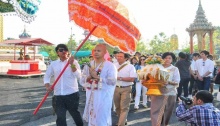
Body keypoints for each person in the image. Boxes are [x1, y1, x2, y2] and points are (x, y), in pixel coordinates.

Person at [44, 44, 83, 126]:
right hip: (58, 95)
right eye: (61, 50)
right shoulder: (53, 64)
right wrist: (47, 86)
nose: (63, 51)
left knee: (75, 114)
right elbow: (47, 76)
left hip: (71, 94)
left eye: (65, 50)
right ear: (57, 53)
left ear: (68, 52)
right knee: (60, 117)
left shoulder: (74, 62)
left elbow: (79, 76)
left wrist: (71, 64)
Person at [80, 44, 117, 126]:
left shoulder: (110, 66)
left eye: (99, 51)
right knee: (92, 118)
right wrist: (89, 77)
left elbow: (113, 81)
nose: (96, 52)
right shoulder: (89, 65)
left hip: (103, 97)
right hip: (91, 96)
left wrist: (98, 78)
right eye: (95, 51)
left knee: (101, 119)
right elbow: (81, 80)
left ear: (104, 52)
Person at [148, 52, 180, 126]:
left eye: (169, 58)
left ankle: (164, 124)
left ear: (172, 60)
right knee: (155, 111)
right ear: (162, 59)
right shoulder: (157, 67)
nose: (167, 60)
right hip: (157, 91)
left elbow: (177, 82)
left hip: (170, 92)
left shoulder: (174, 69)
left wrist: (168, 82)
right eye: (165, 58)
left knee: (167, 111)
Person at [114, 51, 137, 126]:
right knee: (117, 107)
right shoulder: (114, 65)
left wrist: (119, 78)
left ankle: (121, 124)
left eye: (121, 56)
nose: (118, 58)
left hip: (126, 88)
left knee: (124, 108)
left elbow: (132, 79)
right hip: (115, 88)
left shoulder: (130, 67)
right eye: (118, 56)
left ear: (126, 58)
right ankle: (123, 120)